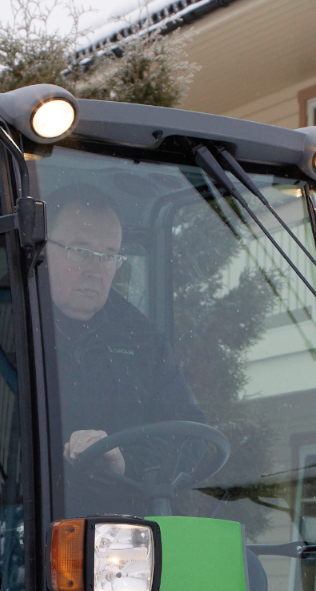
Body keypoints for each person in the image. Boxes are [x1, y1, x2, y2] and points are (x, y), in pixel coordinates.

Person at [43, 188, 207, 513]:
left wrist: (124, 460)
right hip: (27, 521)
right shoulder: (5, 322)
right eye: (81, 251)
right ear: (43, 249)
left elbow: (189, 438)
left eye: (108, 256)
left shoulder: (141, 339)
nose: (96, 270)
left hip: (125, 527)